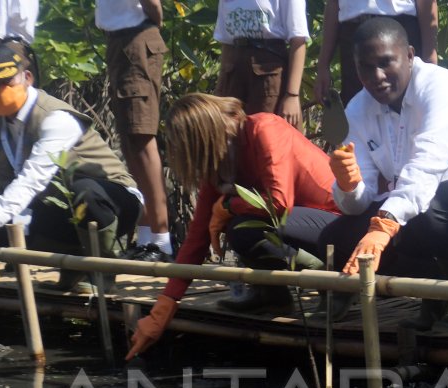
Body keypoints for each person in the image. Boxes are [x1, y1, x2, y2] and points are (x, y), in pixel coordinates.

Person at [321, 17, 448, 334]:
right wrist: (349, 184)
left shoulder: (440, 87)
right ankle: (436, 298)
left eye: (386, 62)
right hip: (419, 207)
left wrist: (385, 224)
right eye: (365, 67)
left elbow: (428, 164)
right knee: (337, 236)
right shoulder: (358, 109)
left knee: (428, 213)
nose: (376, 76)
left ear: (410, 55)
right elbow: (361, 202)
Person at [124, 93, 342, 360]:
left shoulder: (264, 129)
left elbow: (279, 203)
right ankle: (273, 296)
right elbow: (196, 239)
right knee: (241, 228)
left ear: (206, 135)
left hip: (334, 222)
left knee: (243, 227)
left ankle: (332, 284)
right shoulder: (220, 162)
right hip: (298, 224)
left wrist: (227, 206)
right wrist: (164, 307)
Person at [0, 44, 142, 291]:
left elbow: (32, 179)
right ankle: (74, 265)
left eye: (6, 81)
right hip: (55, 203)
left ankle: (101, 271)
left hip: (113, 201)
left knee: (83, 192)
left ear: (27, 77)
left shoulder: (55, 118)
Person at [96, 0, 172, 261]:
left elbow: (152, 4)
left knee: (141, 138)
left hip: (137, 38)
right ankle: (147, 237)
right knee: (130, 141)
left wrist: (154, 22)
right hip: (121, 41)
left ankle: (161, 242)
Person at [314, 0, 438, 106]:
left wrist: (430, 57)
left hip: (399, 27)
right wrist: (323, 64)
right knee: (357, 110)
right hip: (353, 30)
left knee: (408, 109)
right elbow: (333, 3)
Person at [213, 0, 309, 129]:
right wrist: (220, 90)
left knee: (267, 136)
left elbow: (298, 40)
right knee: (232, 138)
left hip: (269, 77)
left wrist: (292, 95)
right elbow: (226, 42)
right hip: (234, 74)